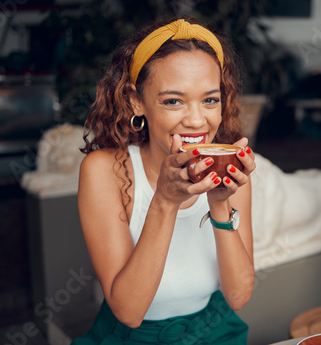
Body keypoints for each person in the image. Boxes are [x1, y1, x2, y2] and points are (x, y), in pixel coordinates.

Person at [73, 16, 256, 345]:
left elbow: (239, 296)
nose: (197, 120)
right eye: (173, 101)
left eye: (210, 99)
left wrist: (219, 203)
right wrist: (165, 200)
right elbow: (129, 311)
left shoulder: (230, 173)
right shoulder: (103, 171)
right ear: (136, 101)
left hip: (214, 331)